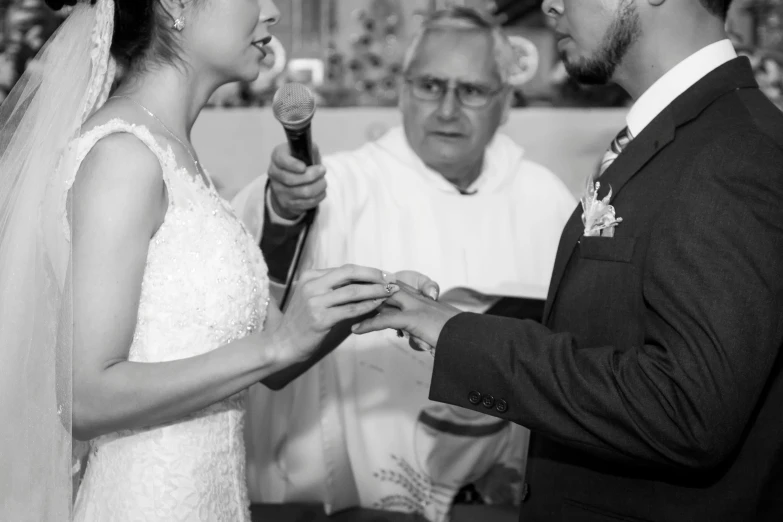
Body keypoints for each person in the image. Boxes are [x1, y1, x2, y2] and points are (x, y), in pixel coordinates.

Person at [353, 0, 783, 521]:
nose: (550, 5)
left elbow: (687, 412)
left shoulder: (733, 151)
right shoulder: (681, 136)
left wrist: (459, 335)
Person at [0, 1, 424, 520]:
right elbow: (85, 398)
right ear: (176, 4)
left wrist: (369, 300)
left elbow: (274, 359)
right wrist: (277, 345)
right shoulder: (124, 156)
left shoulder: (174, 150)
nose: (272, 13)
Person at [231, 7, 576, 521]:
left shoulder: (544, 197)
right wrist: (283, 206)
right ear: (402, 89)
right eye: (431, 86)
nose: (447, 109)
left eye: (473, 90)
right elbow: (260, 282)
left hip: (500, 501)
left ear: (506, 104)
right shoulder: (349, 183)